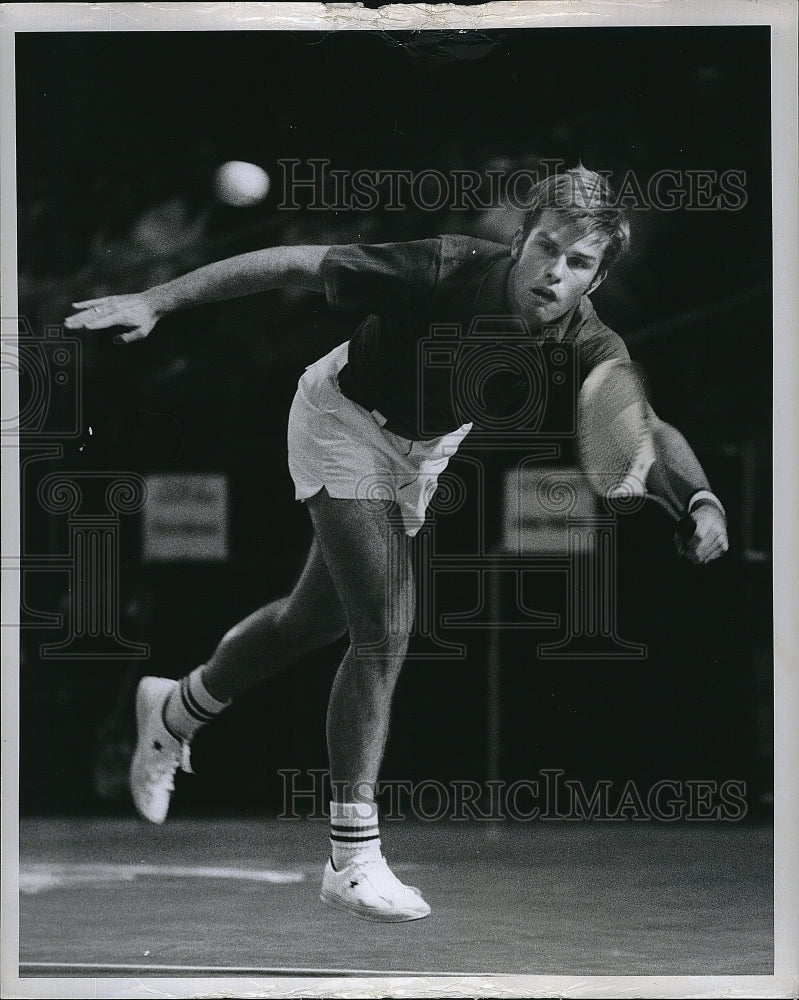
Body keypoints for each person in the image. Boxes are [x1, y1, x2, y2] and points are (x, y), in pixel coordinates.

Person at [65, 166, 729, 922]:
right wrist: (156, 298)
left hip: (425, 449)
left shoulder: (586, 338)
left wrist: (699, 498)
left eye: (578, 263)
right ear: (519, 240)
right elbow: (293, 263)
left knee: (312, 621)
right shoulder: (444, 265)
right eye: (545, 246)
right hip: (340, 417)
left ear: (596, 275)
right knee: (384, 627)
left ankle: (176, 709)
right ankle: (351, 856)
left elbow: (645, 426)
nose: (554, 270)